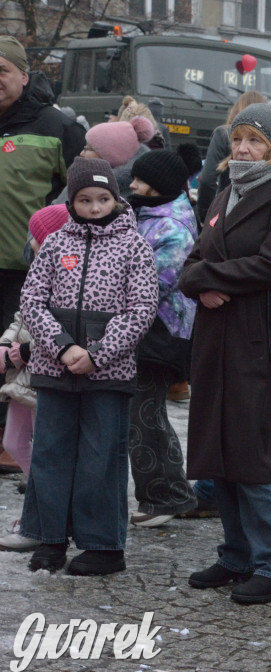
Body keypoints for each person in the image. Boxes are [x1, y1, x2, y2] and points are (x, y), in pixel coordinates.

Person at [178, 103, 271, 604]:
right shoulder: (222, 192)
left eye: (255, 140)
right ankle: (236, 554)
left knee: (251, 451)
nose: (242, 149)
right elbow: (193, 259)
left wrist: (207, 279)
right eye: (238, 139)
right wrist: (200, 282)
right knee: (217, 447)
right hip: (214, 335)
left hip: (254, 338)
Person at [18, 157, 158, 575]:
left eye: (102, 199)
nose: (95, 208)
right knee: (50, 453)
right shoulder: (57, 244)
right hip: (54, 367)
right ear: (72, 201)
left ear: (114, 198)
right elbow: (31, 300)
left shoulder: (134, 246)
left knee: (102, 456)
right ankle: (49, 538)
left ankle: (103, 544)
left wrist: (96, 353)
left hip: (108, 372)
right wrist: (62, 348)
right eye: (84, 200)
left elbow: (141, 308)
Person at [126, 146, 203, 528]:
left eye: (140, 179)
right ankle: (166, 492)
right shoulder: (147, 212)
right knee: (144, 413)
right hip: (144, 329)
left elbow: (152, 284)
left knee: (144, 414)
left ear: (158, 186)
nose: (132, 184)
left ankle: (167, 494)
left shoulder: (171, 226)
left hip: (160, 333)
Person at [0, 35, 85, 332]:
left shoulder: (57, 126)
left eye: (2, 70)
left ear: (23, 76)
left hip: (27, 272)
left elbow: (84, 194)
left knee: (12, 361)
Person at [0, 204, 67, 552]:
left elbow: (55, 326)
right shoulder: (36, 268)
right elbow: (22, 316)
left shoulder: (64, 272)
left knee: (45, 450)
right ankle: (37, 510)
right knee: (14, 442)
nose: (31, 242)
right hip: (21, 377)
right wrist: (7, 342)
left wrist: (23, 350)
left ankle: (40, 517)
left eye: (35, 235)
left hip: (40, 375)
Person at [197, 91, 267, 223]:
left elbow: (207, 179)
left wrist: (206, 215)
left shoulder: (223, 133)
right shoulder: (268, 138)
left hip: (226, 212)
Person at [76, 117, 157, 197]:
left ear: (110, 157)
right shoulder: (81, 179)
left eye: (89, 149)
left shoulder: (131, 200)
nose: (82, 153)